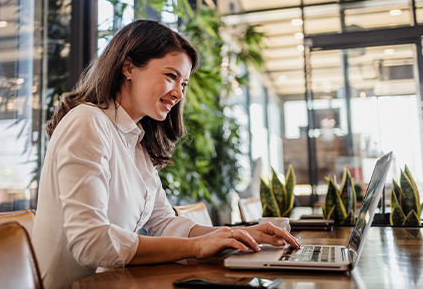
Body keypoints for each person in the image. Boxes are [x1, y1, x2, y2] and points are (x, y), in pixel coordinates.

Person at [32, 20, 300, 289]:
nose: (178, 93)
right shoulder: (87, 122)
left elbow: (163, 222)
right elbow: (91, 242)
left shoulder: (136, 141)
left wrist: (233, 234)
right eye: (171, 76)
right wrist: (196, 246)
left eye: (183, 83)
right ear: (128, 67)